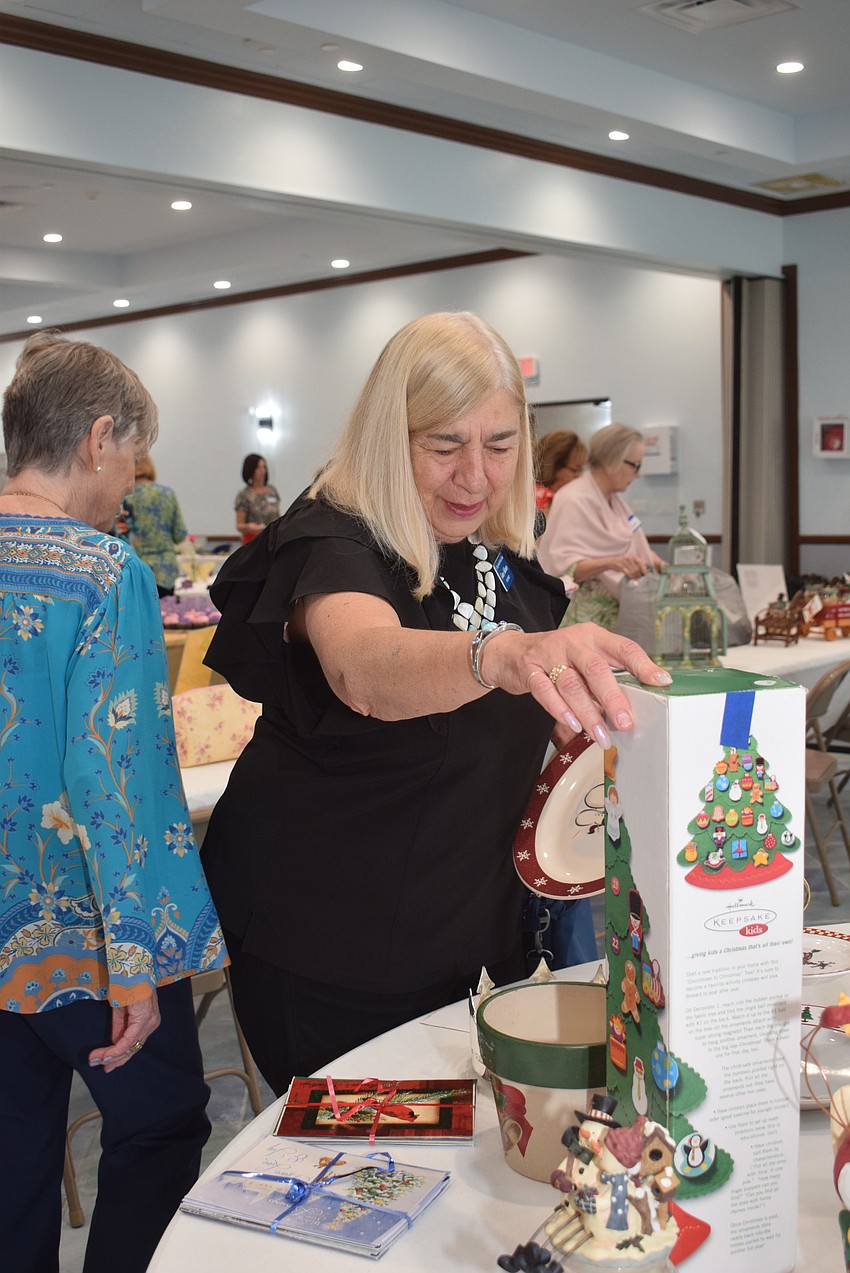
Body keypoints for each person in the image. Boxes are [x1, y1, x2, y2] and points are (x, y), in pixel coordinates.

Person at [200, 311, 671, 1098]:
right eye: (444, 444)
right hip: (333, 935)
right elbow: (367, 668)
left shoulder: (501, 556)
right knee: (367, 1178)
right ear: (390, 435)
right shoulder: (334, 536)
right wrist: (506, 655)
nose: (475, 476)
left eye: (499, 444)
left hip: (472, 929)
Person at [0, 332, 227, 1273]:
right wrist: (135, 959)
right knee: (165, 1125)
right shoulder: (102, 571)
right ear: (98, 438)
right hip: (84, 929)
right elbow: (117, 780)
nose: (129, 485)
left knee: (12, 1156)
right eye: (130, 460)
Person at [537, 422, 666, 630]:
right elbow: (562, 568)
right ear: (611, 460)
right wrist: (612, 563)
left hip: (617, 618)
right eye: (635, 466)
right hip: (582, 620)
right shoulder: (573, 499)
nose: (638, 474)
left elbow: (634, 546)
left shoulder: (615, 502)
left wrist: (661, 564)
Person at [122, 452, 188, 597]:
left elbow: (123, 537)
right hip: (167, 571)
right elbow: (179, 534)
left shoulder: (126, 497)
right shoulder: (167, 493)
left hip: (138, 568)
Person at [534, 428, 588, 515]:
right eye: (574, 471)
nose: (579, 477)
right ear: (555, 468)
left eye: (580, 470)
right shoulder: (540, 500)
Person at [235, 453, 280, 543]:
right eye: (258, 468)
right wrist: (249, 527)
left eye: (263, 467)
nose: (262, 471)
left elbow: (277, 516)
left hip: (272, 539)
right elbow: (239, 525)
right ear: (251, 470)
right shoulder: (244, 495)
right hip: (253, 540)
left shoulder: (272, 491)